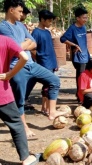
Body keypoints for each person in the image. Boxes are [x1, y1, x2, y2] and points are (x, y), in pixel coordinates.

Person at [0, 0, 66, 137]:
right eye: (19, 11)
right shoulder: (3, 27)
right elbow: (14, 49)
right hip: (17, 67)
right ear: (11, 10)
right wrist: (25, 44)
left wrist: (23, 44)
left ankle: (52, 112)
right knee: (20, 99)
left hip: (31, 64)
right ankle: (24, 127)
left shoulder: (21, 26)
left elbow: (33, 43)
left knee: (54, 80)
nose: (22, 13)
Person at [0, 34, 40, 165]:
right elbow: (25, 57)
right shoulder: (5, 40)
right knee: (16, 123)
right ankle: (26, 158)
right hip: (2, 93)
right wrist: (10, 74)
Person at [30, 10, 58, 116]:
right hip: (44, 63)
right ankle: (44, 107)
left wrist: (55, 63)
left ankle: (45, 107)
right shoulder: (36, 33)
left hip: (51, 62)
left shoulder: (47, 32)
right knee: (47, 85)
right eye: (49, 20)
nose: (50, 23)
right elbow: (32, 48)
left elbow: (51, 48)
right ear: (42, 19)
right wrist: (38, 58)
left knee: (49, 85)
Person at [60, 7, 90, 102]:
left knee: (87, 76)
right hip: (78, 58)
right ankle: (80, 97)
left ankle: (85, 94)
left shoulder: (84, 27)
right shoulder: (72, 28)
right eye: (84, 18)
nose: (85, 20)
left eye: (86, 18)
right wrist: (74, 45)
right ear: (78, 18)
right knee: (80, 77)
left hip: (86, 56)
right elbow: (62, 39)